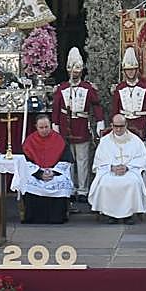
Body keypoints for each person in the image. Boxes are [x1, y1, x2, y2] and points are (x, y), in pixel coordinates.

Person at [51, 48, 104, 199]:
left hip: (81, 127)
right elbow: (55, 108)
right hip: (65, 127)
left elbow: (97, 105)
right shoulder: (61, 88)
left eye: (78, 70)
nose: (75, 73)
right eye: (73, 69)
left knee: (82, 160)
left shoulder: (88, 88)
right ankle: (70, 187)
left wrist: (100, 122)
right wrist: (55, 126)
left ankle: (83, 189)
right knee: (68, 160)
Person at [88, 114, 146, 223]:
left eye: (121, 126)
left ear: (126, 125)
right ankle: (110, 215)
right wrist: (111, 167)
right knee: (105, 183)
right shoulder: (105, 141)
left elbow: (142, 158)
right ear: (112, 125)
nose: (118, 129)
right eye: (116, 126)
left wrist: (127, 167)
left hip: (130, 170)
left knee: (133, 183)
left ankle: (129, 215)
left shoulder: (135, 141)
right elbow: (99, 161)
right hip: (109, 171)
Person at [19, 115, 74, 224]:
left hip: (55, 173)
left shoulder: (59, 139)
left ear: (50, 126)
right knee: (28, 182)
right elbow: (25, 162)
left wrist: (53, 172)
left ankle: (58, 217)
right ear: (36, 127)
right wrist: (39, 174)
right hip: (36, 173)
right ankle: (32, 217)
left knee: (61, 182)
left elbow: (66, 160)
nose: (44, 130)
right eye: (41, 127)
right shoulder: (30, 141)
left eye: (46, 127)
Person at [111, 48, 146, 145]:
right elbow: (115, 109)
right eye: (128, 70)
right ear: (124, 71)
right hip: (124, 126)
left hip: (141, 125)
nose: (130, 72)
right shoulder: (119, 88)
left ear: (136, 70)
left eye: (132, 69)